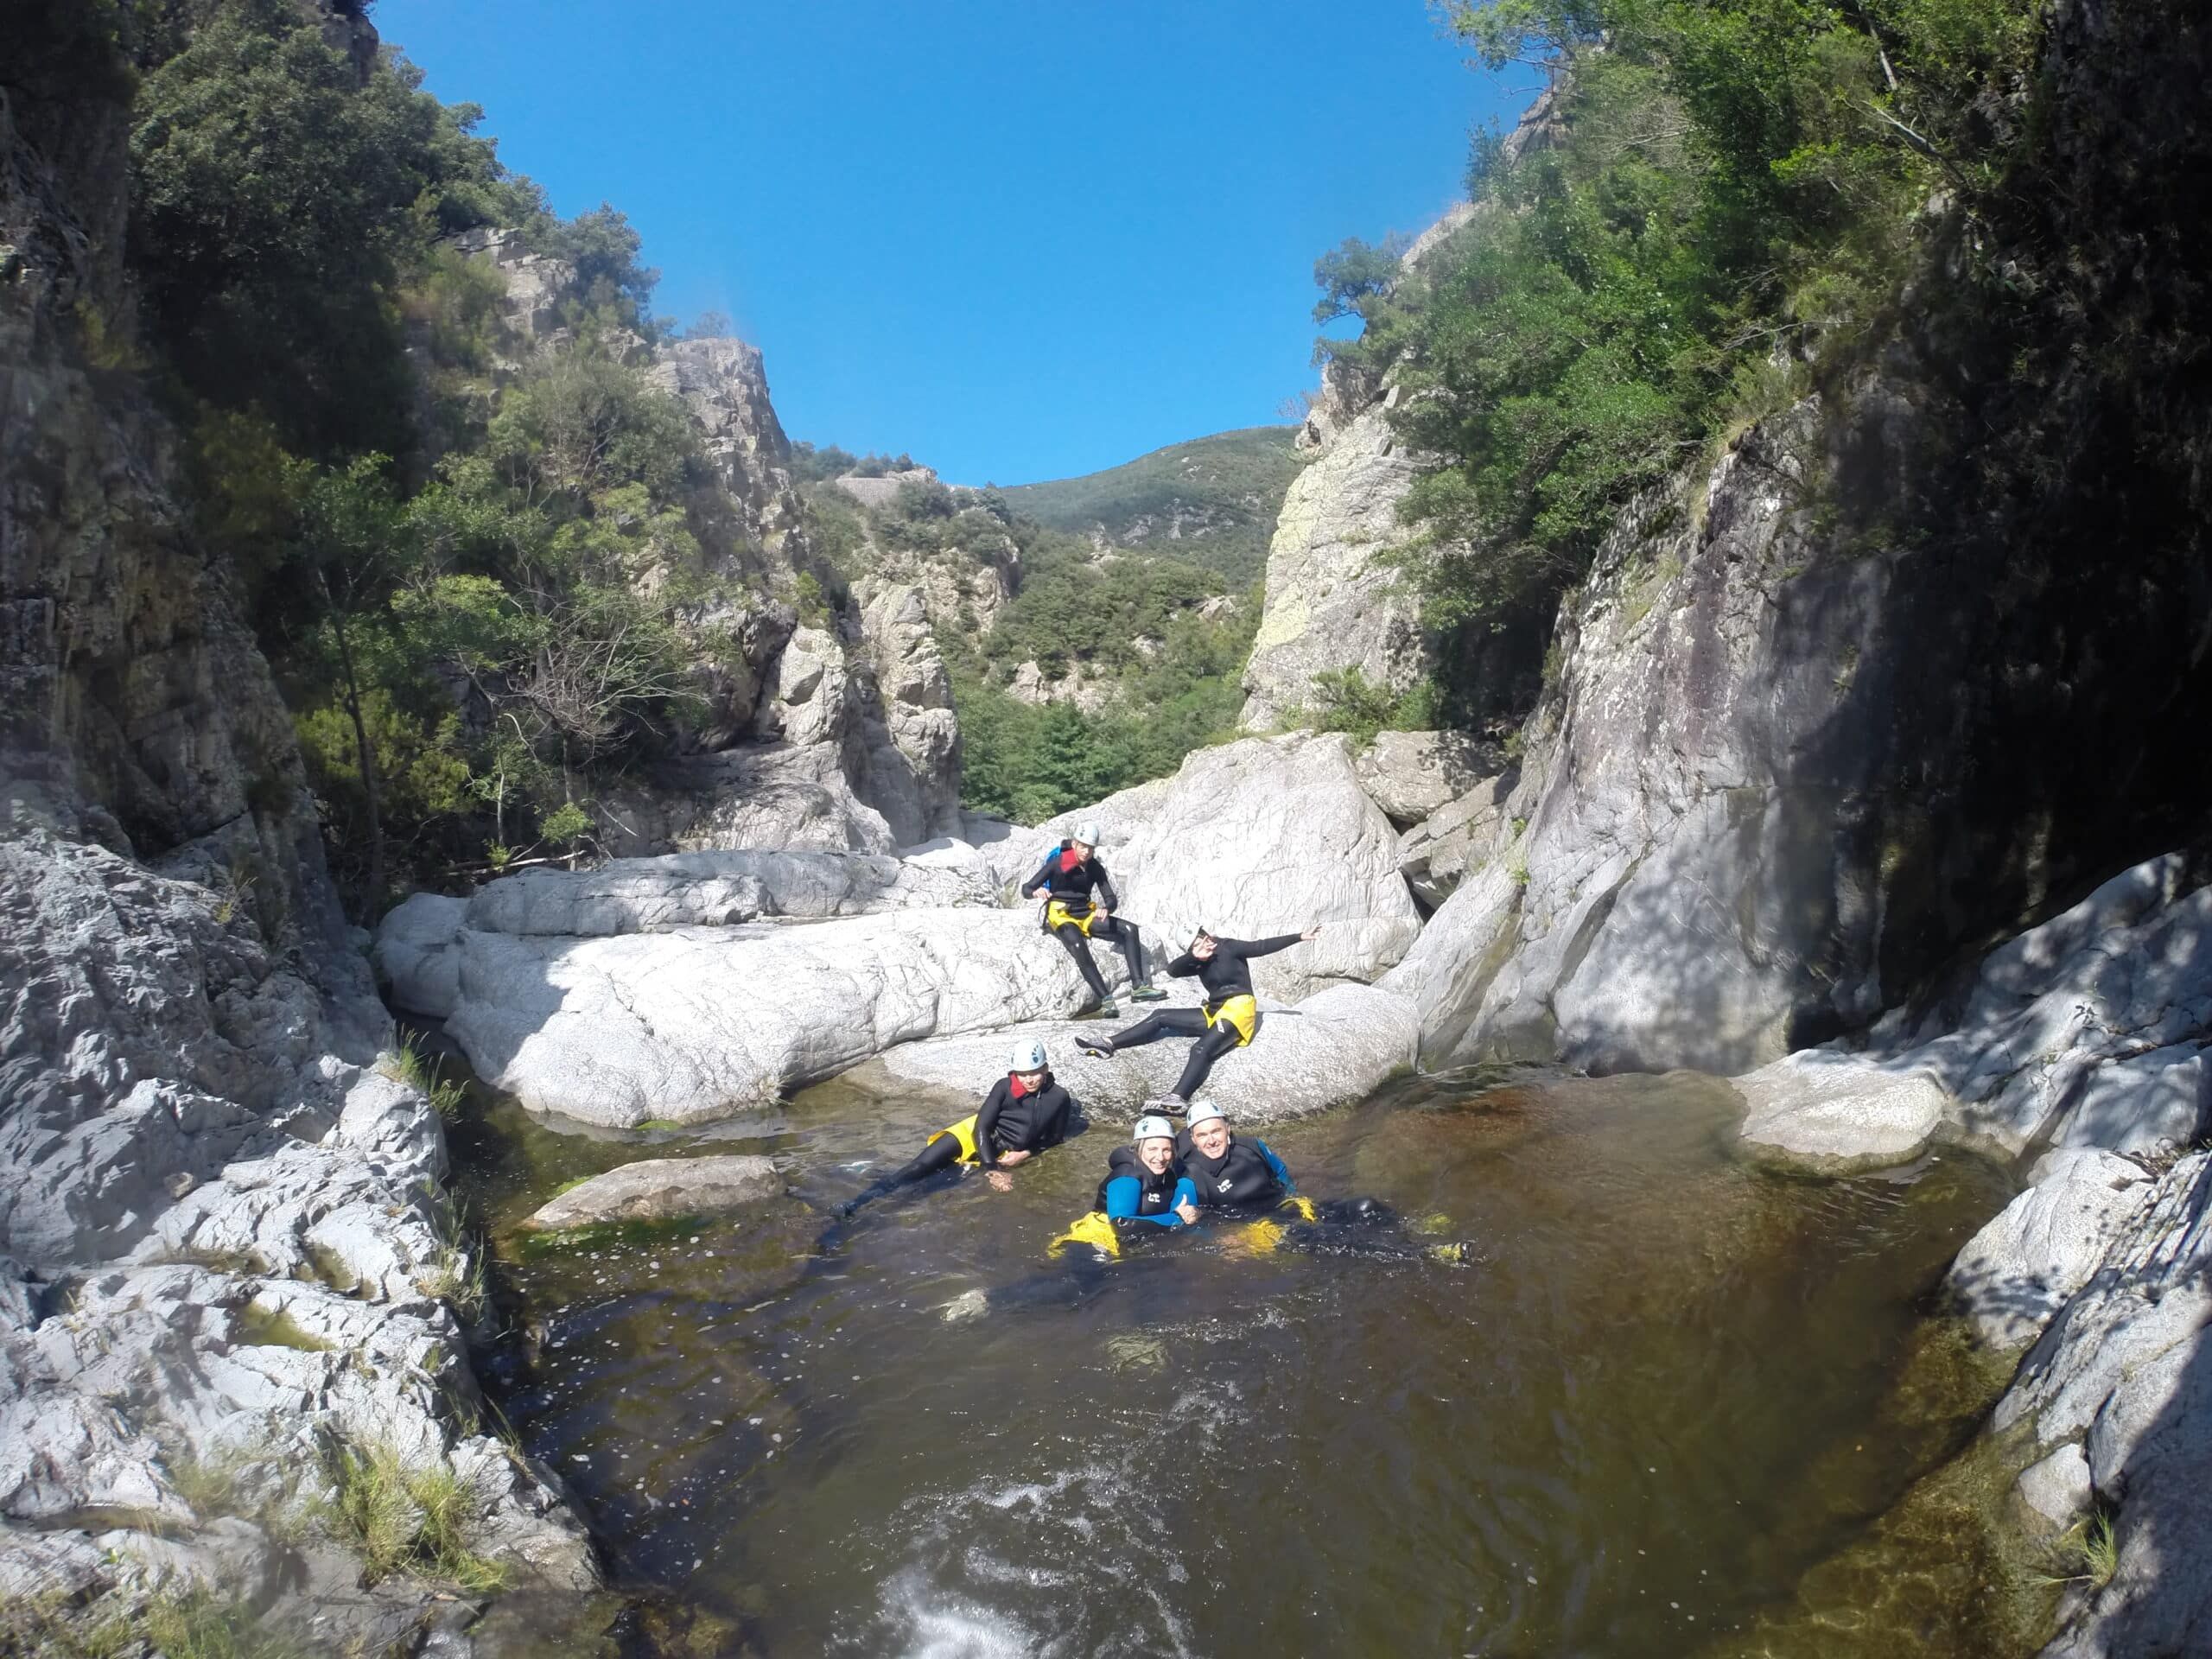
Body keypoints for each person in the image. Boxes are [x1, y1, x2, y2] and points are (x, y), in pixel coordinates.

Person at [1176, 1101, 1471, 1263]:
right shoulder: (1192, 1175)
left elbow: (1280, 1172)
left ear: (1228, 1128)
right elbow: (1192, 1221)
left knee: (1365, 1206)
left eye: (1216, 1130)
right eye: (1202, 1135)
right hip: (1261, 1229)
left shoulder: (1251, 1146)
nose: (1212, 1140)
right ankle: (1427, 1254)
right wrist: (1222, 1240)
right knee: (1333, 1236)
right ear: (1193, 1139)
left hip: (1289, 1208)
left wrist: (1294, 1196)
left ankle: (1411, 1228)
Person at [1076, 925, 1318, 1103]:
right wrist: (1195, 957)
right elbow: (1173, 971)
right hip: (1215, 1010)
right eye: (1196, 943)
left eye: (1203, 937)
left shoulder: (1228, 947)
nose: (1205, 943)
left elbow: (1261, 946)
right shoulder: (1198, 960)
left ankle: (1177, 1097)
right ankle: (1109, 1044)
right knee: (1160, 1015)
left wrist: (1299, 937)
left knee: (1201, 1049)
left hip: (1240, 1008)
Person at [840, 1038, 1076, 1217]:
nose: (1029, 1079)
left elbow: (1054, 1138)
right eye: (1022, 1074)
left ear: (1045, 1069)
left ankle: (875, 1196)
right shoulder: (1004, 1087)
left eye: (1034, 1072)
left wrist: (1024, 1154)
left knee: (934, 1186)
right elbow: (982, 1126)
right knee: (918, 1168)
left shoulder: (1059, 1098)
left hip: (1005, 1149)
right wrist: (992, 1170)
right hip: (971, 1132)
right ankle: (855, 1205)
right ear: (1014, 1072)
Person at [1018, 820, 1165, 1018]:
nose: (1086, 852)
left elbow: (1111, 898)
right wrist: (1037, 892)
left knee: (1130, 930)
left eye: (1091, 848)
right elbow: (1026, 889)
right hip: (1060, 913)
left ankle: (1139, 987)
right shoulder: (1058, 863)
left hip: (1086, 912)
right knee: (1078, 945)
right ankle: (1106, 998)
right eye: (1083, 846)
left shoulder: (1094, 866)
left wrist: (1106, 909)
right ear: (1075, 844)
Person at [1050, 1109, 1199, 1261]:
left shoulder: (1167, 1177)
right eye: (1152, 1149)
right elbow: (1122, 1224)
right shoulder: (1127, 1174)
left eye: (1166, 1150)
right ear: (1138, 1149)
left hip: (1127, 1245)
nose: (1160, 1157)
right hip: (1093, 1240)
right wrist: (1176, 1218)